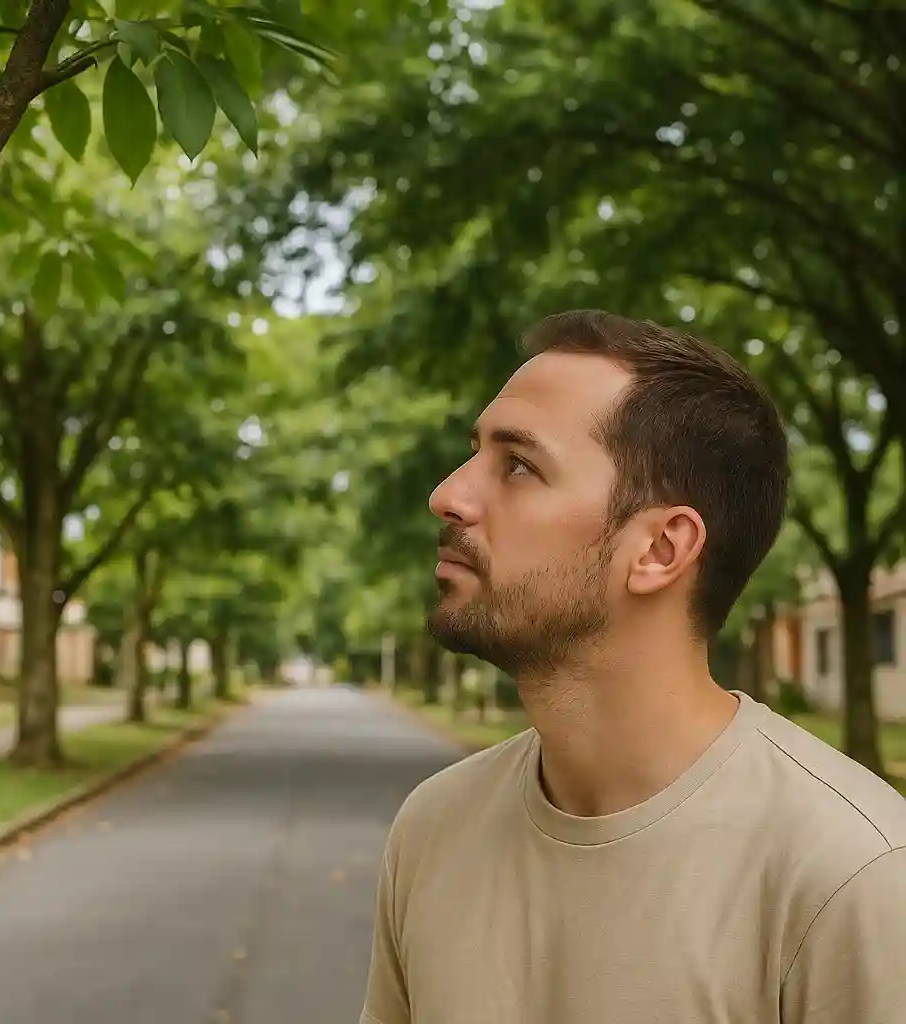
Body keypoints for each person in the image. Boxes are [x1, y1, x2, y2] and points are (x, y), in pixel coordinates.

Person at [361, 310, 906, 1024]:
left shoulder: (854, 876)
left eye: (518, 465)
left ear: (659, 550)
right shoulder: (432, 830)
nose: (449, 495)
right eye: (475, 452)